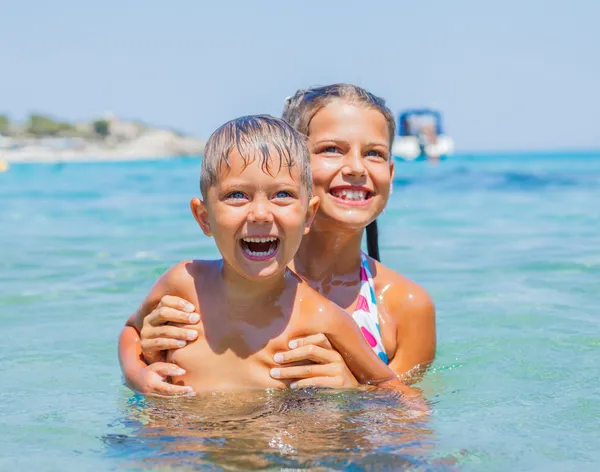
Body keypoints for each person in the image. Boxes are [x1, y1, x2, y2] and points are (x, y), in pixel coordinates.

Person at [118, 84, 436, 396]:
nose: (355, 167)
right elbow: (132, 334)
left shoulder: (400, 307)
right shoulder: (194, 287)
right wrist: (142, 357)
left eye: (374, 154)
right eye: (331, 149)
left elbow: (405, 418)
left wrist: (352, 391)